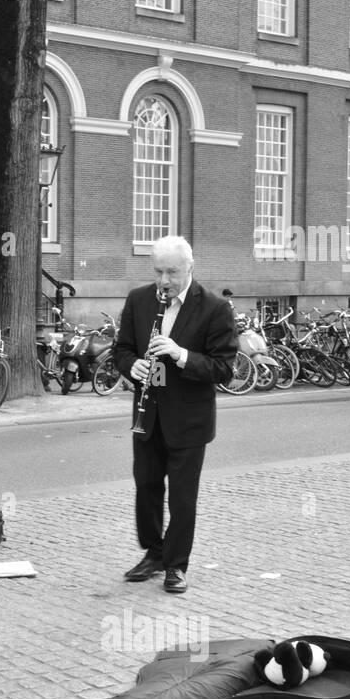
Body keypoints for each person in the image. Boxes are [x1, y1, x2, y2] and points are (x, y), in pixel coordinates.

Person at [112, 236, 237, 595]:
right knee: (146, 489)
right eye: (158, 272)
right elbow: (121, 349)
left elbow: (223, 369)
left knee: (182, 499)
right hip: (146, 415)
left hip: (189, 421)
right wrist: (130, 365)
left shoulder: (214, 308)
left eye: (172, 272)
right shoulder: (139, 299)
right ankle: (154, 552)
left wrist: (180, 354)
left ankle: (176, 565)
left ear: (189, 268)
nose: (164, 281)